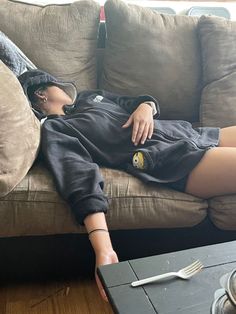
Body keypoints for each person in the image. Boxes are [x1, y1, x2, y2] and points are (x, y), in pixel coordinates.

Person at [19, 69, 236, 300]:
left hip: (196, 134)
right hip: (174, 159)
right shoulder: (56, 129)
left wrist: (146, 108)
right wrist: (104, 249)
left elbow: (138, 100)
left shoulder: (89, 96)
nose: (64, 87)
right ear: (42, 93)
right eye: (57, 84)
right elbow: (78, 178)